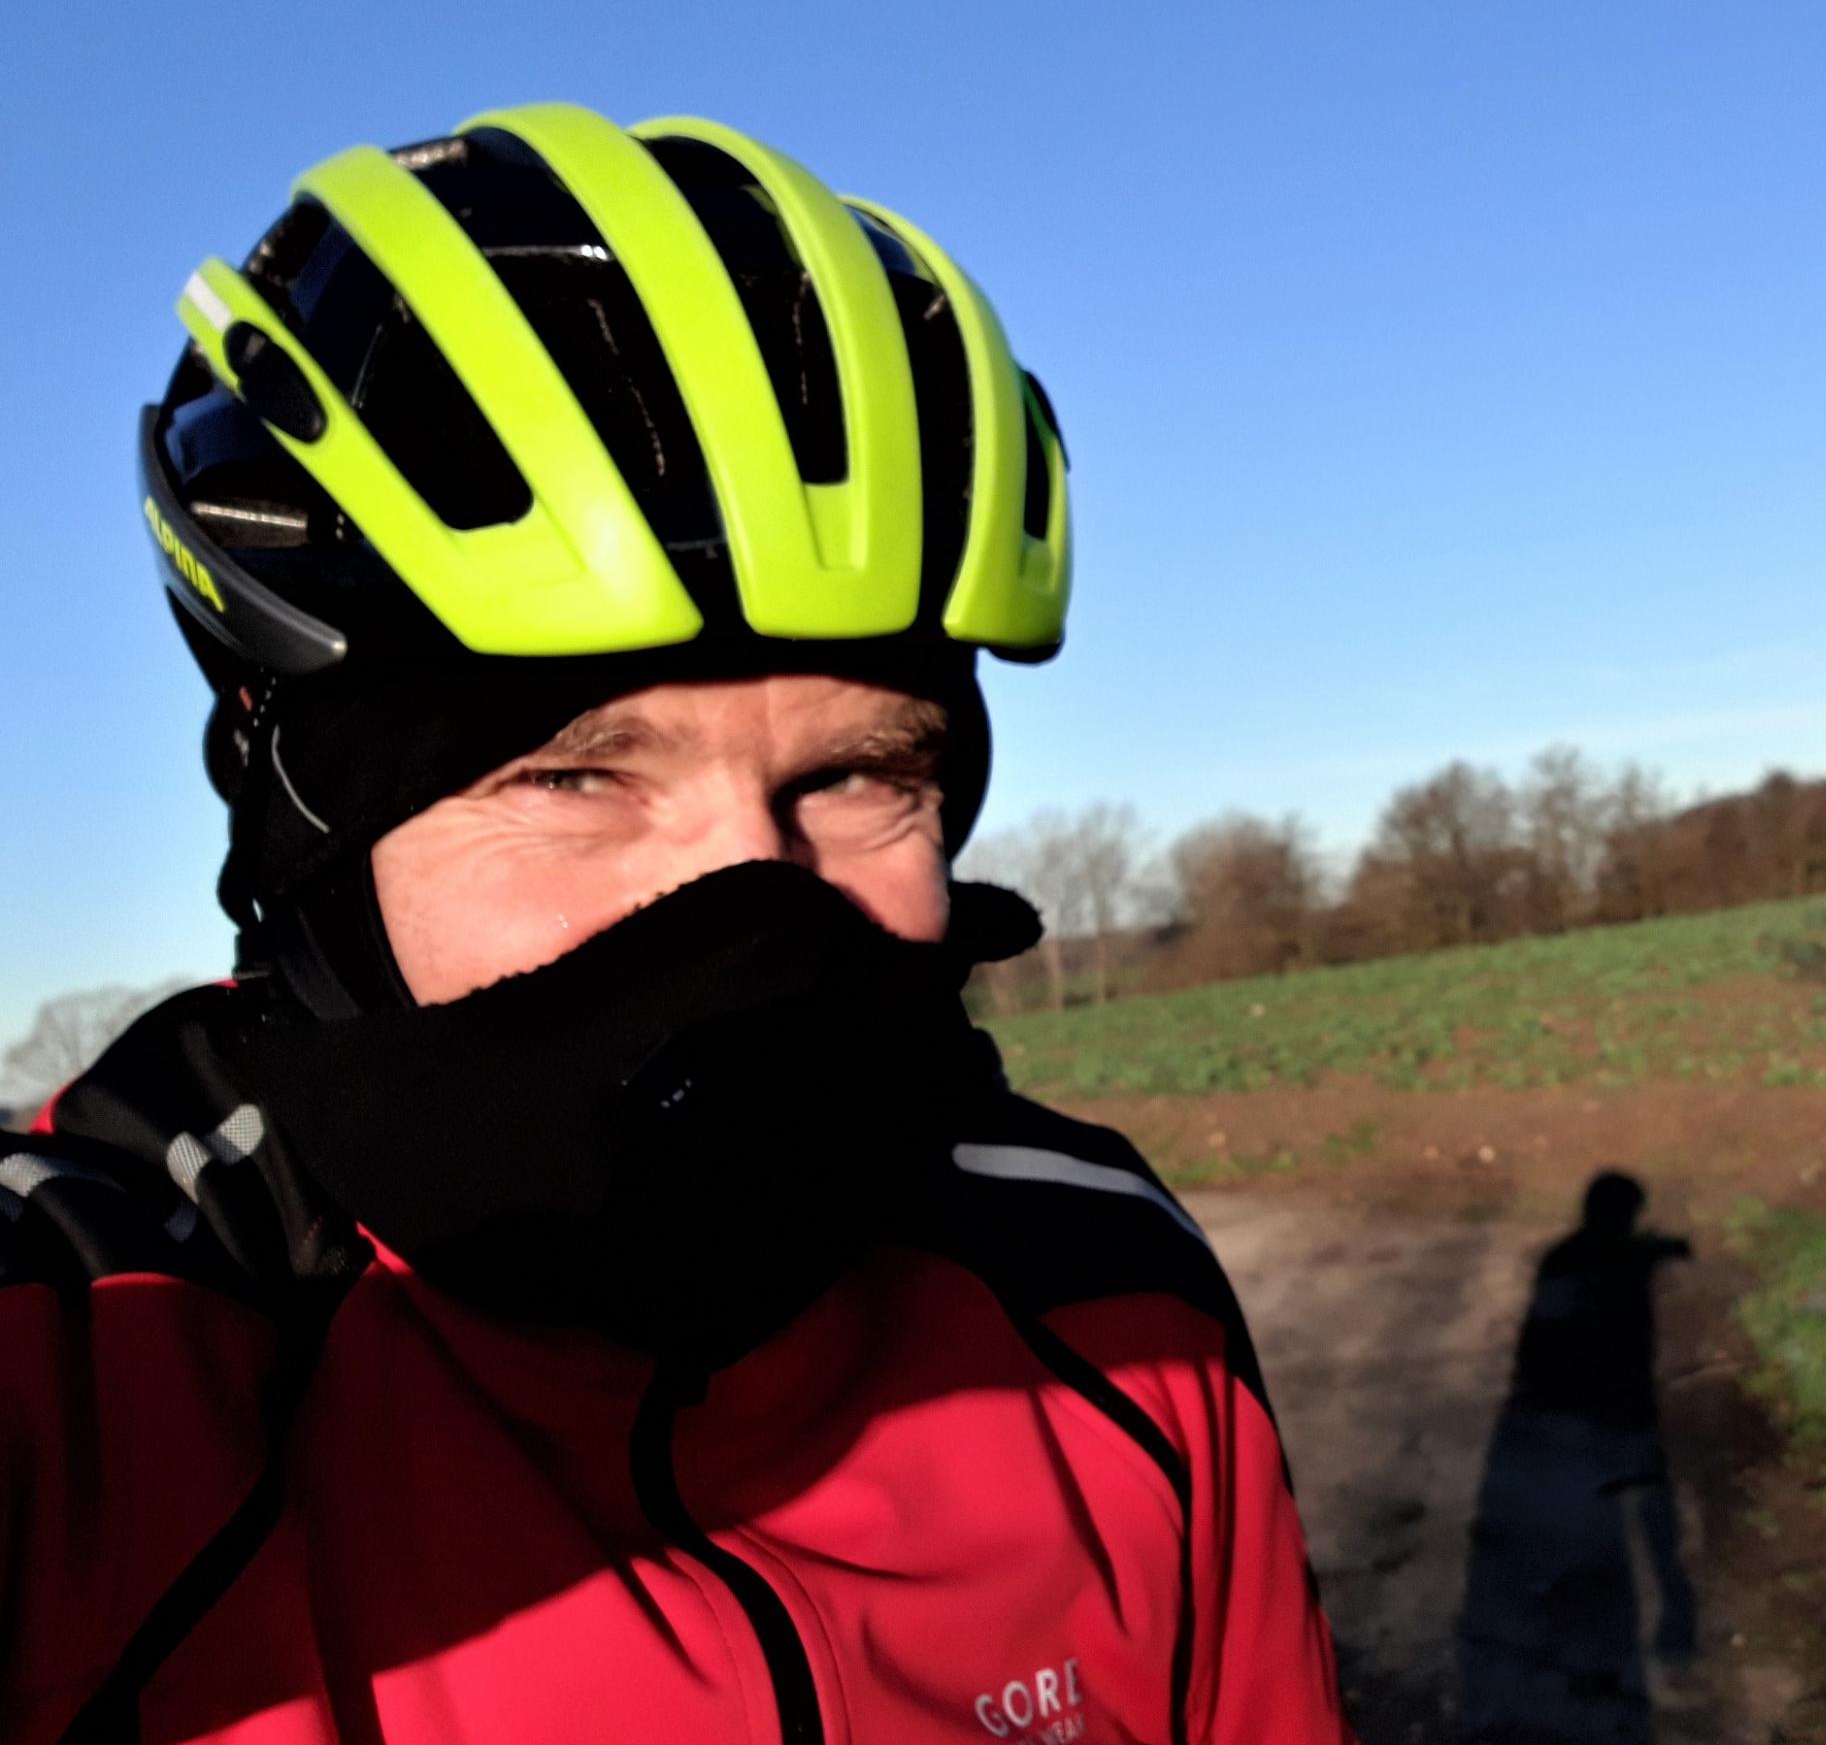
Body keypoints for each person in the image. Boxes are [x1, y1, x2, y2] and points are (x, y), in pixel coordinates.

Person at [0, 105, 1350, 1745]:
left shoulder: (1102, 1284)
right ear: (313, 852)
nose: (746, 904)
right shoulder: (93, 1363)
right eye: (573, 776)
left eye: (859, 774)